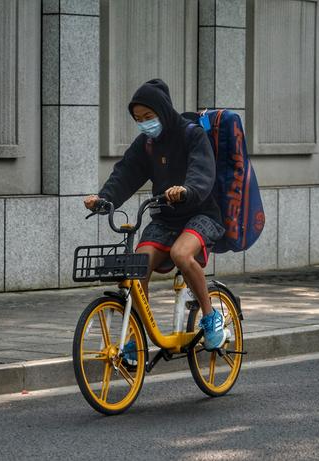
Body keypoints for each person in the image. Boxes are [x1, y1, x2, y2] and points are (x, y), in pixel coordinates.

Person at [84, 78, 228, 353]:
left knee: (181, 254)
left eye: (148, 116)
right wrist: (103, 199)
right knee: (136, 267)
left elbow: (202, 172)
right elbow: (125, 174)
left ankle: (211, 318)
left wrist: (187, 189)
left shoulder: (191, 135)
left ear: (163, 111)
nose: (144, 123)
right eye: (138, 119)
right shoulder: (146, 144)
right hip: (165, 217)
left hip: (200, 213)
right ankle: (137, 338)